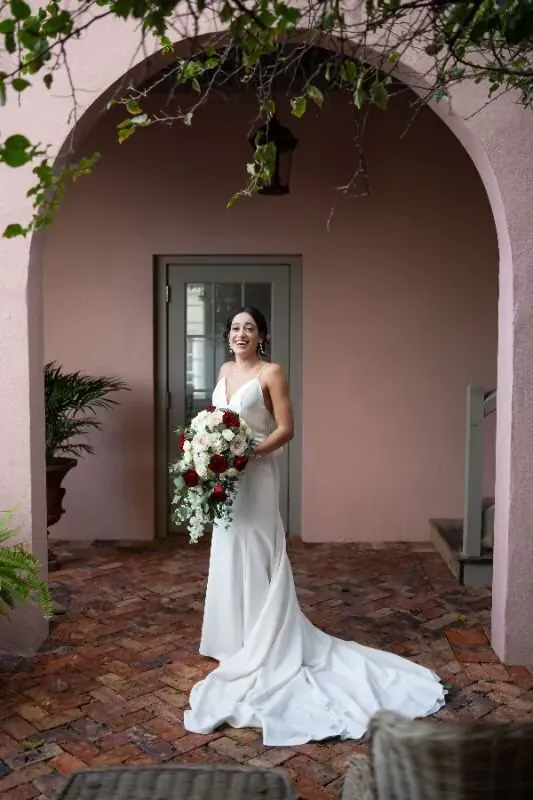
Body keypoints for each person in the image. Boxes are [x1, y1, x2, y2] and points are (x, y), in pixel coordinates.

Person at [183, 306, 445, 747]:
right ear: (227, 336)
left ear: (261, 334)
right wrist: (211, 454)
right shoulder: (225, 369)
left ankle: (266, 639)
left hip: (258, 476)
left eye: (249, 327)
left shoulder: (272, 372)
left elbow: (286, 429)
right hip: (229, 479)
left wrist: (247, 455)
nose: (240, 333)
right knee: (228, 545)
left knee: (257, 546)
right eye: (234, 327)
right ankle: (234, 637)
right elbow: (216, 422)